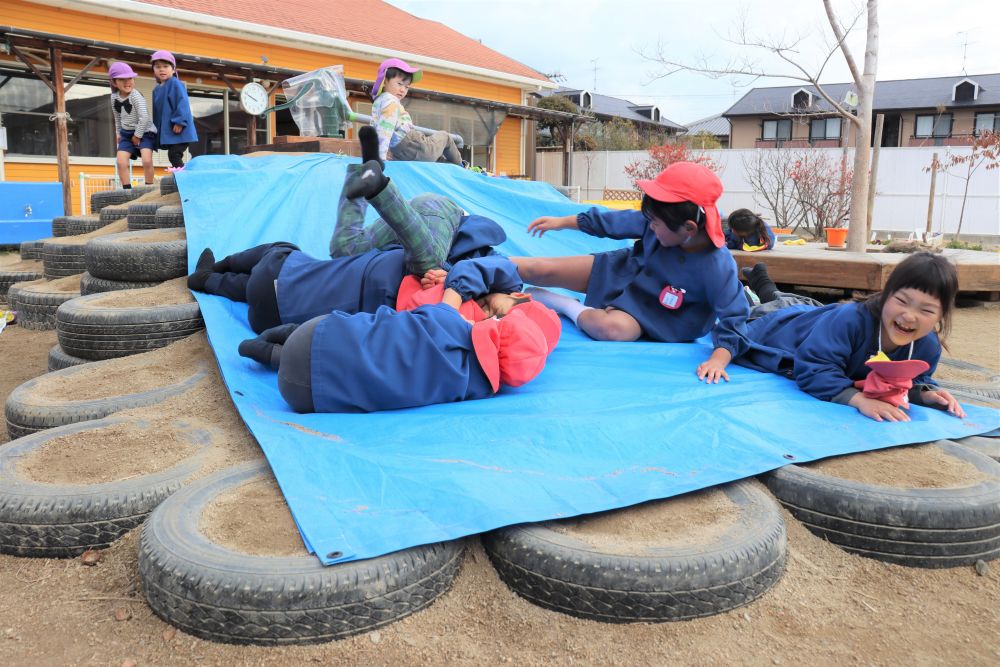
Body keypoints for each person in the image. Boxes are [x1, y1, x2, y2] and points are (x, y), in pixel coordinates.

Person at [512, 162, 749, 383]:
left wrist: (718, 359)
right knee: (540, 268)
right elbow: (613, 221)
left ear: (689, 228)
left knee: (612, 329)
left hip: (657, 315)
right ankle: (478, 263)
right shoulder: (660, 221)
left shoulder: (717, 264)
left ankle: (562, 303)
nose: (650, 227)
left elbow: (734, 316)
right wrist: (563, 221)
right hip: (626, 273)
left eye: (655, 224)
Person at [242, 288, 561, 414]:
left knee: (358, 329)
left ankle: (269, 341)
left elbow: (419, 314)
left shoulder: (450, 321)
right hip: (306, 397)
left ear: (496, 326)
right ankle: (272, 355)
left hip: (314, 339)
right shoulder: (471, 391)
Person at [735, 254, 966, 422]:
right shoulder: (850, 321)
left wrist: (925, 394)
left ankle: (759, 279)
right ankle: (754, 284)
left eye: (926, 311)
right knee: (760, 307)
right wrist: (858, 399)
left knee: (789, 300)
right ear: (886, 295)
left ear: (940, 315)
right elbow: (814, 367)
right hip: (781, 326)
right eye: (902, 301)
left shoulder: (927, 345)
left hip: (817, 315)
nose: (909, 315)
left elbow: (909, 381)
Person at [330, 126, 463, 275]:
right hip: (439, 209)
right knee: (430, 265)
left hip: (405, 212)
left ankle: (368, 169)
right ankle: (379, 185)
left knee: (345, 250)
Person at [369, 58, 462, 165]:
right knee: (445, 137)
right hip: (411, 143)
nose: (403, 90)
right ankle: (462, 166)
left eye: (407, 87)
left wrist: (375, 152)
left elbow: (374, 129)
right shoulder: (391, 101)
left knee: (435, 158)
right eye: (399, 84)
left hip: (399, 151)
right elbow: (385, 129)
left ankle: (452, 166)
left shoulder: (378, 102)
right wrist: (380, 156)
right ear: (384, 81)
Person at [108, 62, 156, 188]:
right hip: (126, 133)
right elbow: (117, 117)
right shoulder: (114, 97)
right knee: (121, 161)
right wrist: (118, 132)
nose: (127, 82)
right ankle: (126, 190)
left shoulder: (135, 96)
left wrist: (138, 135)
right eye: (122, 79)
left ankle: (149, 187)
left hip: (145, 132)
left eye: (130, 78)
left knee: (146, 160)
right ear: (114, 82)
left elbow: (144, 117)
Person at [150, 50, 198, 170]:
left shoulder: (175, 83)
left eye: (165, 66)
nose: (162, 69)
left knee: (174, 154)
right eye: (157, 67)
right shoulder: (156, 90)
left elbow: (182, 103)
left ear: (173, 69)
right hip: (171, 132)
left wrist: (179, 121)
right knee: (173, 155)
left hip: (180, 129)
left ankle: (184, 177)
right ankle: (181, 176)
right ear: (154, 70)